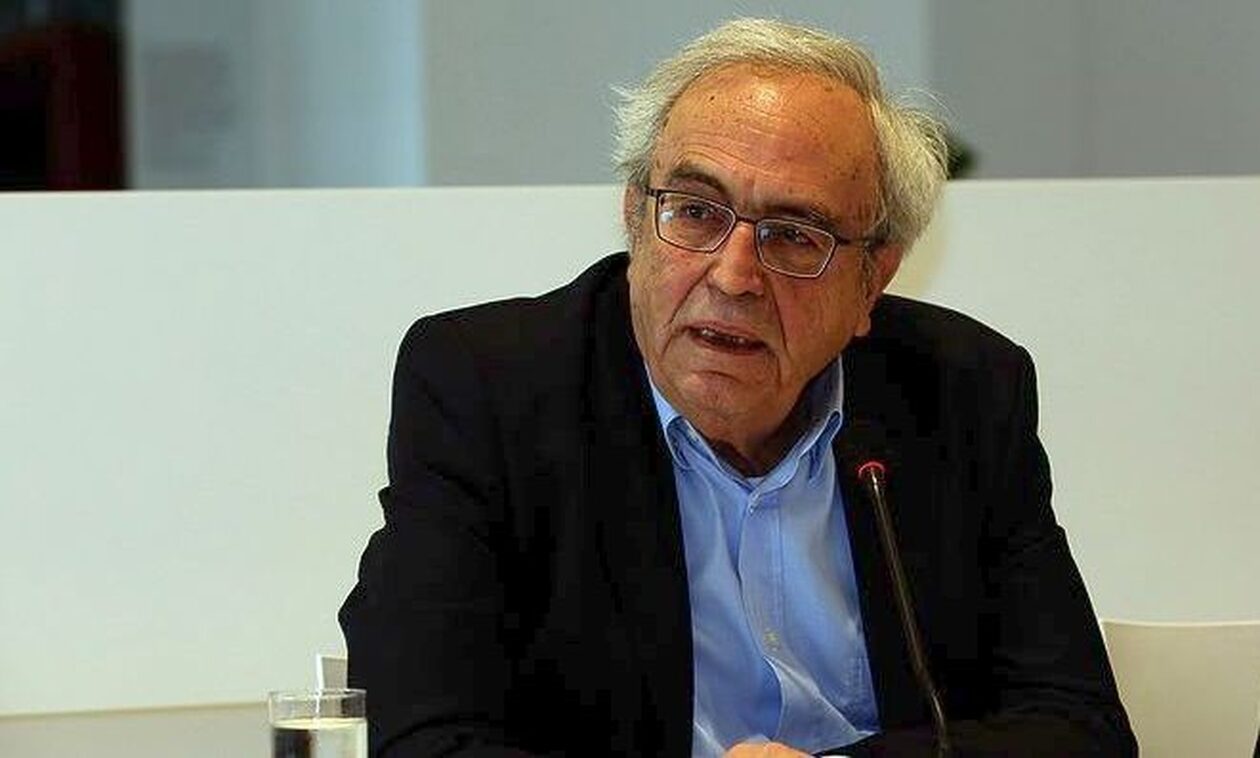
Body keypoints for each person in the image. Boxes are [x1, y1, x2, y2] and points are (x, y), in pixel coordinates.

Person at [340, 18, 1135, 757]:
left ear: (872, 279)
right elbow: (422, 737)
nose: (733, 275)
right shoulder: (490, 388)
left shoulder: (962, 391)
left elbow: (1078, 728)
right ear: (633, 216)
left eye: (794, 236)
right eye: (695, 212)